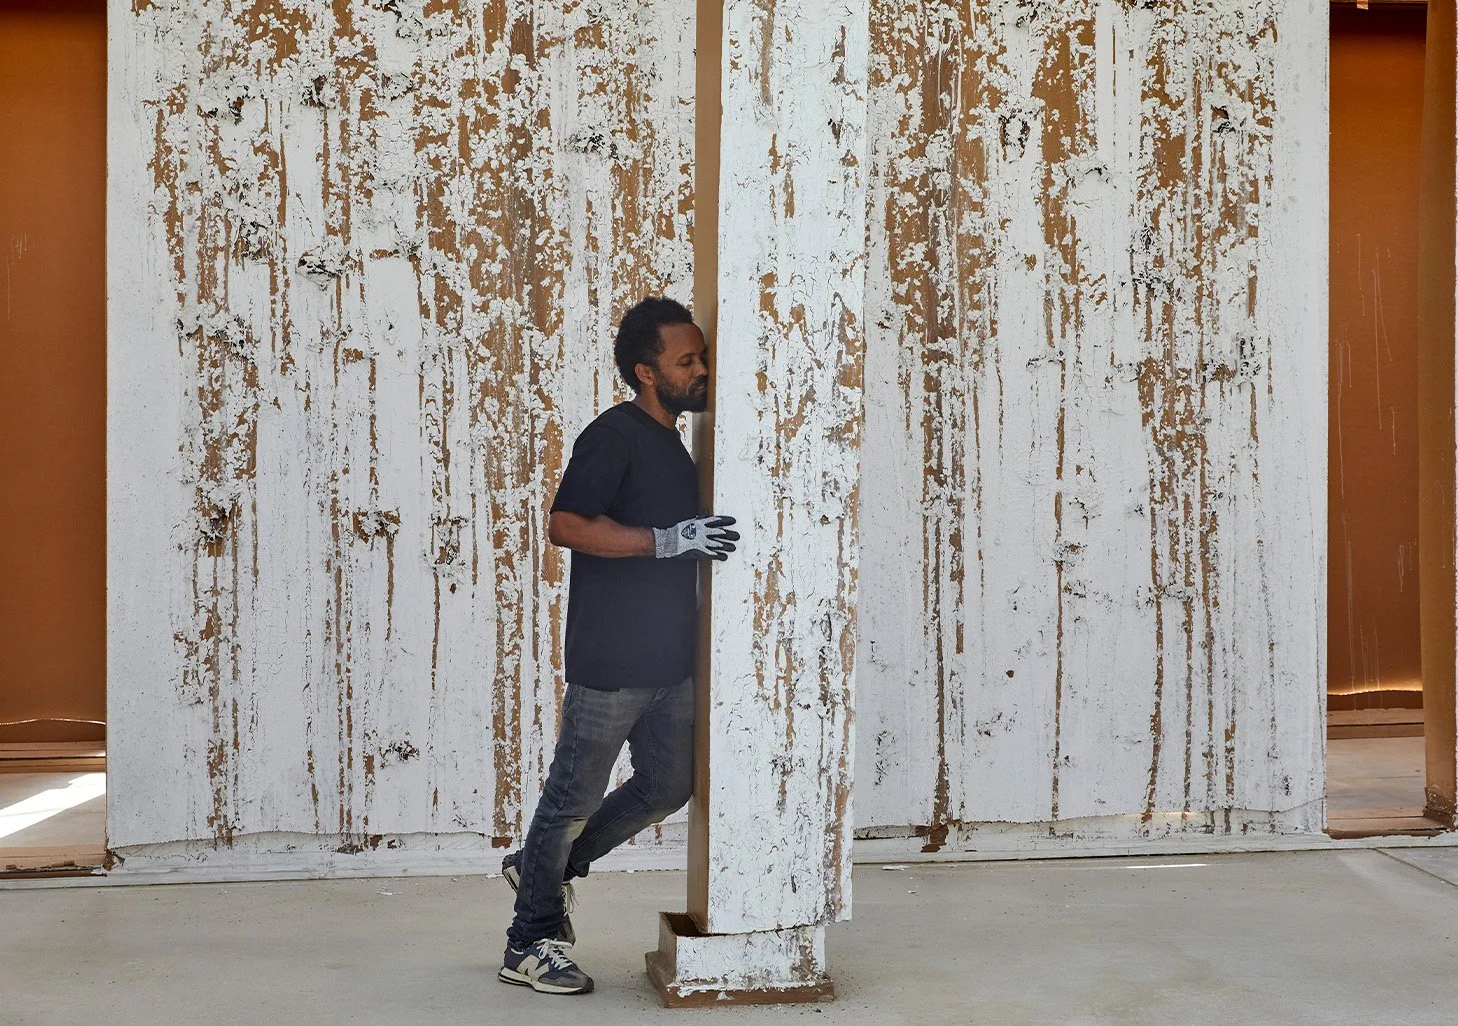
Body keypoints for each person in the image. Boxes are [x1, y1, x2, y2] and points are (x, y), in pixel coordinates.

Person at [497, 296, 740, 995]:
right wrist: (666, 542)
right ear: (646, 371)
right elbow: (566, 524)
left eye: (702, 357)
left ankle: (545, 865)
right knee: (570, 802)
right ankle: (529, 940)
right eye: (686, 361)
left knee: (669, 785)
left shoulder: (675, 442)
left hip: (672, 661)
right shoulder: (615, 434)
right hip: (612, 665)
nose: (701, 371)